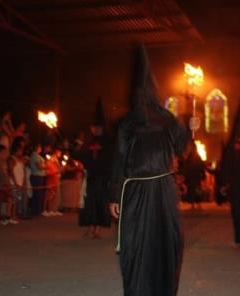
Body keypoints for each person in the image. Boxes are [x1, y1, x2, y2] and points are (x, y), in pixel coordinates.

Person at [109, 45, 187, 296]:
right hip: (135, 191)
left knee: (165, 241)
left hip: (163, 190)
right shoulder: (127, 124)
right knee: (134, 242)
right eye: (138, 92)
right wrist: (114, 195)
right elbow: (118, 160)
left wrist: (188, 127)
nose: (141, 96)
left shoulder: (167, 119)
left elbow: (182, 147)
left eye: (145, 91)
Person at [79, 98, 112, 238]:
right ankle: (90, 227)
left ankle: (97, 229)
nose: (96, 129)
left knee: (99, 203)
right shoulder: (89, 141)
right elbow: (83, 156)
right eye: (94, 127)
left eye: (98, 127)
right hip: (91, 177)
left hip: (102, 178)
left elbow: (110, 159)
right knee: (89, 203)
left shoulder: (107, 142)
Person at [0, 144, 16, 225]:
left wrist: (9, 183)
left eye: (6, 152)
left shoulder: (4, 162)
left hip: (6, 184)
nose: (5, 154)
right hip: (0, 184)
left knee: (10, 199)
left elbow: (6, 173)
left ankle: (8, 217)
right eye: (3, 152)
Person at [8, 143, 28, 219]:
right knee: (13, 200)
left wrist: (23, 181)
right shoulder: (12, 159)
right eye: (20, 151)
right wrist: (15, 182)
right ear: (16, 151)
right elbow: (11, 171)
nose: (21, 152)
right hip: (14, 183)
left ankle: (16, 215)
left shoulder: (21, 160)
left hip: (20, 182)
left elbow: (23, 171)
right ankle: (10, 216)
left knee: (18, 199)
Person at [43, 148, 63, 217]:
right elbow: (49, 171)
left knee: (54, 195)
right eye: (59, 152)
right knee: (49, 195)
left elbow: (59, 169)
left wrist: (60, 170)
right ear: (56, 152)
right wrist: (57, 171)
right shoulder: (50, 160)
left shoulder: (56, 160)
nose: (60, 154)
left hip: (55, 179)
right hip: (51, 179)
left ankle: (53, 210)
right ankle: (46, 210)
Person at [29, 143, 46, 216]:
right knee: (37, 194)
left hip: (40, 176)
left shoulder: (38, 156)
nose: (41, 148)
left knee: (39, 194)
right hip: (37, 177)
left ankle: (38, 210)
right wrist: (46, 166)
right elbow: (39, 167)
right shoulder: (34, 156)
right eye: (39, 147)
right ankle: (36, 211)